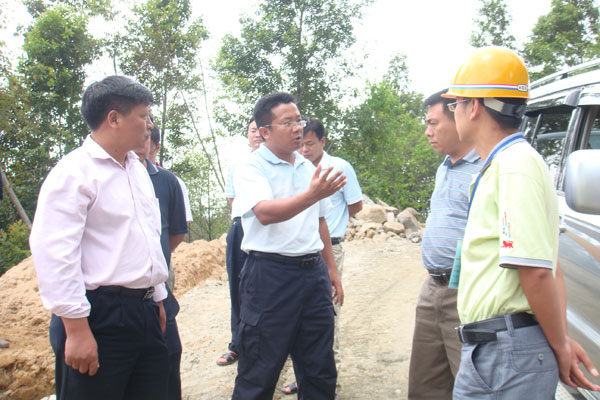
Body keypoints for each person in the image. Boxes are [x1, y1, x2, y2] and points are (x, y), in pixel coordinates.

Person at [443, 47, 600, 398]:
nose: (455, 112)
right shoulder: (504, 164)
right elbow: (552, 266)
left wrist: (560, 344)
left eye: (456, 104)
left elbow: (537, 271)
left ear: (474, 106)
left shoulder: (514, 165)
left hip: (506, 351)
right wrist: (560, 337)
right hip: (499, 346)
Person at [29, 75, 169, 400]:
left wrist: (157, 297)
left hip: (144, 311)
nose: (149, 125)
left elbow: (147, 237)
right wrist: (76, 330)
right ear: (114, 118)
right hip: (99, 315)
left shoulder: (136, 169)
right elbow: (55, 253)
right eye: (143, 116)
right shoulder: (74, 173)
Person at [231, 92, 345, 400]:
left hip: (313, 274)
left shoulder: (307, 168)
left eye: (299, 120)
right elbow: (265, 213)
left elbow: (319, 221)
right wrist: (312, 194)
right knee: (260, 368)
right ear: (265, 131)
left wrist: (331, 270)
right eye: (287, 122)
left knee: (319, 366)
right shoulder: (251, 168)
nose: (297, 128)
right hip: (270, 276)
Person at [407, 89, 481, 400]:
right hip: (432, 288)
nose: (428, 132)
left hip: (464, 291)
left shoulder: (485, 168)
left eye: (433, 123)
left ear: (460, 117)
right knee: (426, 383)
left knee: (469, 382)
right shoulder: (444, 167)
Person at [281, 118, 363, 396]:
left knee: (327, 317)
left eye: (310, 144)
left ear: (322, 142)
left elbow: (355, 205)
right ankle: (305, 378)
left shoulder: (339, 167)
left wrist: (334, 223)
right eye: (301, 145)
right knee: (301, 318)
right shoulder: (296, 168)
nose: (304, 150)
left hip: (330, 249)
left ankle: (330, 383)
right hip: (300, 251)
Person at [134, 124, 188, 400]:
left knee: (169, 355)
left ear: (154, 145)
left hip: (157, 287)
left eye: (146, 137)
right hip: (116, 300)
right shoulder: (90, 175)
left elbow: (176, 232)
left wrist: (155, 260)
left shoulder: (167, 181)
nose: (140, 143)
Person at [217, 118, 263, 367]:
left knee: (267, 287)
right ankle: (237, 344)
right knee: (238, 287)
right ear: (248, 135)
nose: (257, 134)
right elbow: (232, 199)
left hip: (268, 230)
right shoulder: (239, 164)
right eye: (252, 130)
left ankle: (269, 343)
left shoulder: (278, 163)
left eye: (260, 130)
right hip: (241, 228)